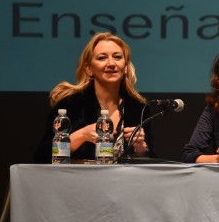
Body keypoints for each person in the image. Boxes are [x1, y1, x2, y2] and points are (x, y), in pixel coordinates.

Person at [34, 32, 153, 163]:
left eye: (117, 57)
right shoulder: (70, 105)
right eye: (102, 58)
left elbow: (152, 167)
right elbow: (42, 157)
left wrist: (141, 149)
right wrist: (81, 135)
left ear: (125, 67)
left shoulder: (139, 109)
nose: (111, 63)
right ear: (89, 68)